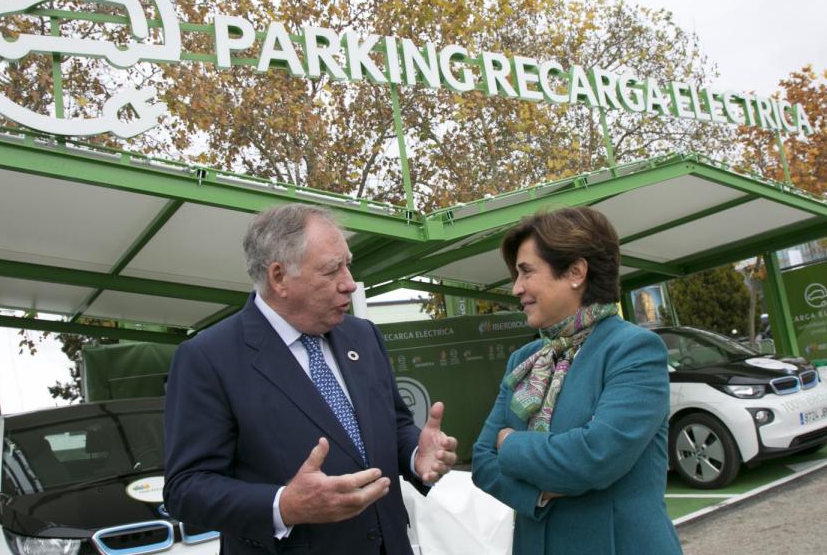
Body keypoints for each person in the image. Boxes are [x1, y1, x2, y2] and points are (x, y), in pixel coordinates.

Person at [164, 203, 457, 555]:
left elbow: (392, 425)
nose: (350, 283)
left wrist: (415, 455)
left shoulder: (363, 337)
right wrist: (284, 505)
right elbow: (186, 489)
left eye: (348, 263)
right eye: (333, 270)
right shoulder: (209, 358)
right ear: (279, 278)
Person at [471, 206, 681, 555]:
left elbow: (595, 457)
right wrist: (538, 492)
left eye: (526, 272)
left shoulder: (634, 350)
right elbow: (481, 461)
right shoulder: (524, 360)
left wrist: (509, 445)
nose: (515, 288)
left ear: (575, 272)